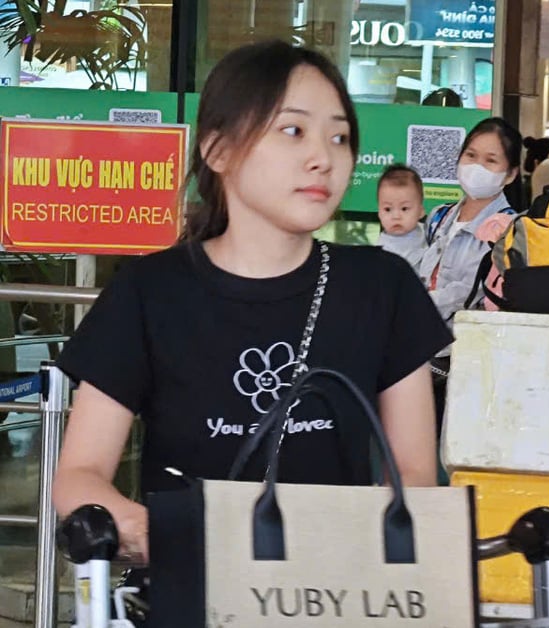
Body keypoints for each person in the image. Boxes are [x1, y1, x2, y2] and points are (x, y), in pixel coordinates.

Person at [50, 41, 450, 562]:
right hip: (190, 589)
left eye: (340, 137)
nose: (323, 157)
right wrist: (157, 535)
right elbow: (79, 475)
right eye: (293, 130)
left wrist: (355, 547)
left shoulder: (384, 286)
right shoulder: (149, 291)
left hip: (335, 595)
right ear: (218, 151)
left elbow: (414, 471)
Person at [417, 117, 521, 431]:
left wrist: (414, 303)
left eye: (491, 161)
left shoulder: (511, 228)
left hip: (462, 362)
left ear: (511, 174)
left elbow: (471, 292)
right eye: (471, 156)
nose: (477, 166)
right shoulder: (439, 216)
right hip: (418, 353)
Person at [376, 164, 427, 268]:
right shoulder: (379, 251)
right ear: (379, 214)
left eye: (404, 208)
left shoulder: (430, 236)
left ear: (421, 211)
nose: (396, 216)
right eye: (387, 209)